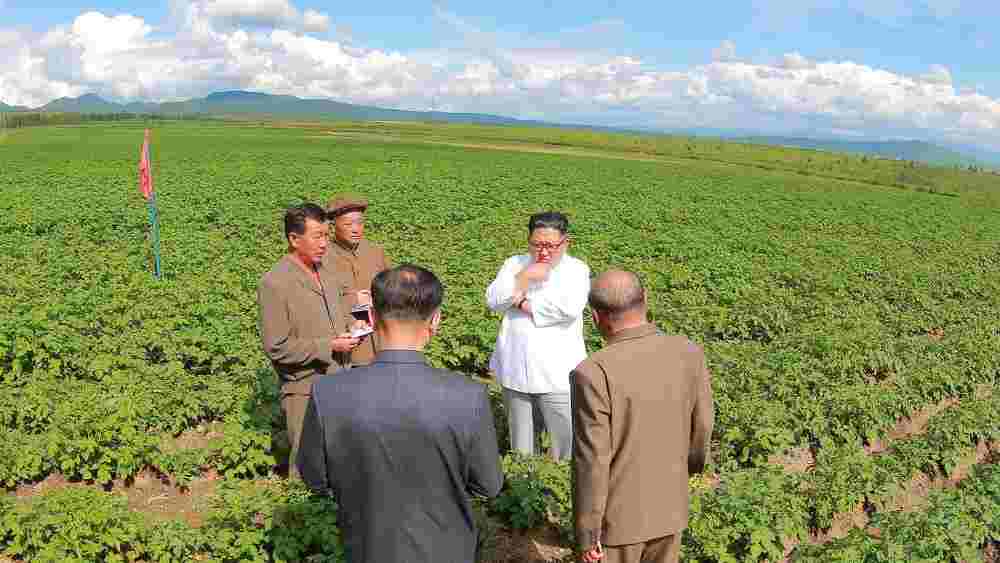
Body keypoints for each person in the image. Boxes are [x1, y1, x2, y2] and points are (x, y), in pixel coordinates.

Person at [298, 264, 504, 563]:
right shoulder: (467, 395)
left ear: (370, 317)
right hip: (446, 551)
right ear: (435, 320)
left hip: (367, 548)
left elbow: (316, 479)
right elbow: (488, 484)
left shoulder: (328, 393)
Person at [571, 270, 714, 563]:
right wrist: (685, 471)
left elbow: (592, 460)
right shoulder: (688, 352)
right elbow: (702, 426)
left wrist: (588, 533)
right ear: (645, 300)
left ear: (596, 317)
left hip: (618, 523)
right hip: (671, 506)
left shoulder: (593, 372)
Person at [257, 203, 361, 478]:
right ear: (294, 239)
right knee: (307, 462)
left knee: (341, 458)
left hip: (341, 378)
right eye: (317, 236)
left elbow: (339, 311)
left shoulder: (325, 272)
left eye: (326, 235)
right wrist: (329, 346)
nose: (325, 243)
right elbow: (276, 347)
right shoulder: (275, 283)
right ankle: (299, 516)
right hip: (305, 388)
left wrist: (353, 326)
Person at [486, 211, 590, 460]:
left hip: (557, 374)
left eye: (551, 246)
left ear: (566, 242)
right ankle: (526, 488)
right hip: (515, 369)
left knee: (565, 443)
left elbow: (567, 309)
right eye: (537, 244)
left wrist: (521, 303)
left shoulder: (576, 270)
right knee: (522, 446)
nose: (543, 252)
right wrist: (524, 277)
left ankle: (562, 491)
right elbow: (493, 300)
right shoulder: (515, 264)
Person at [323, 194, 392, 366]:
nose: (356, 229)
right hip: (347, 344)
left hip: (381, 341)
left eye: (360, 223)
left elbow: (392, 288)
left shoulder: (376, 252)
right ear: (333, 226)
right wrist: (354, 298)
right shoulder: (324, 256)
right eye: (348, 224)